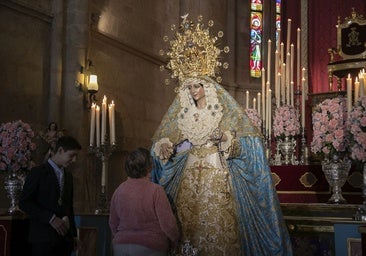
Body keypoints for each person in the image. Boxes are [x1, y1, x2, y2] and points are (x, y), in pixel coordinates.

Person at [151, 14, 293, 255]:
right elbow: (174, 141)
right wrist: (164, 146)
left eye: (197, 85)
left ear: (207, 86)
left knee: (218, 218)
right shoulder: (182, 115)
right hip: (190, 172)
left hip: (217, 172)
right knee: (188, 219)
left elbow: (243, 145)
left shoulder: (223, 111)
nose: (194, 91)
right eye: (190, 87)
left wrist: (225, 140)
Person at [109, 147, 180, 256]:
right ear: (149, 167)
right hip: (151, 246)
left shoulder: (119, 190)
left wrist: (123, 237)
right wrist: (175, 240)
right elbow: (167, 224)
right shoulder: (156, 190)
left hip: (121, 246)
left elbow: (113, 223)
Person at [19, 136, 82, 256]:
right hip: (43, 239)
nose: (74, 160)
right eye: (72, 155)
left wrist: (73, 235)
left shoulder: (68, 177)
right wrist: (51, 218)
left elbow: (69, 208)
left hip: (64, 240)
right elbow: (24, 203)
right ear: (60, 151)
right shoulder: (38, 172)